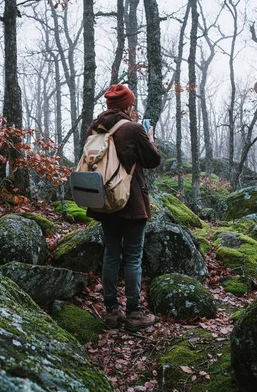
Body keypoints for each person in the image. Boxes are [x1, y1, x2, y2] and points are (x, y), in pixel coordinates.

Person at [85, 84, 161, 332]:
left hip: (104, 200)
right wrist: (149, 139)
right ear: (127, 106)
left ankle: (110, 311)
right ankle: (134, 312)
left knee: (111, 254)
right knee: (132, 257)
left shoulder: (95, 127)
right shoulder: (133, 128)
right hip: (130, 201)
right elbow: (153, 161)